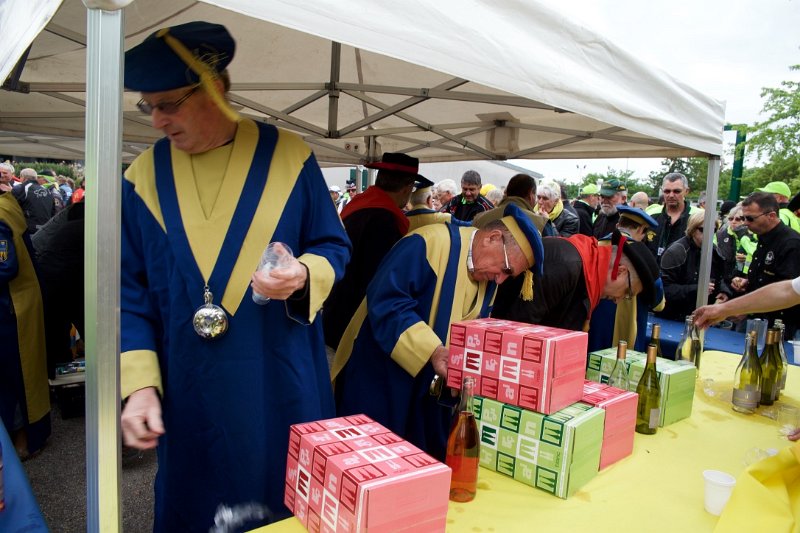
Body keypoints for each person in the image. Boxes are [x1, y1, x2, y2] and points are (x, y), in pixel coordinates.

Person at [118, 21, 351, 532]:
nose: (156, 120)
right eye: (147, 106)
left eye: (169, 103)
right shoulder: (141, 179)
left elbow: (334, 246)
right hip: (188, 387)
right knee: (194, 510)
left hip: (278, 378)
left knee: (284, 507)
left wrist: (303, 273)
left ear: (217, 88)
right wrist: (139, 386)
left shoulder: (290, 159)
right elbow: (128, 292)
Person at [332, 204, 545, 460]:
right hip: (382, 376)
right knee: (371, 458)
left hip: (429, 387)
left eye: (509, 276)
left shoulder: (488, 276)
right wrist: (433, 350)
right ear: (493, 238)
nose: (500, 280)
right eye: (506, 269)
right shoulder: (427, 244)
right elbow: (387, 304)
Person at [323, 152, 421, 351]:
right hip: (354, 321)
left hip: (335, 309)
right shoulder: (384, 220)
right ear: (407, 187)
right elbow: (379, 279)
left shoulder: (358, 206)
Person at [492, 229, 660, 336]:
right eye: (627, 293)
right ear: (621, 271)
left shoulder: (588, 273)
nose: (618, 300)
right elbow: (519, 329)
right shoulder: (567, 266)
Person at [0, 188, 51, 460]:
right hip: (19, 303)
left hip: (12, 309)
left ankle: (24, 437)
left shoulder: (1, 215)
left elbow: (5, 266)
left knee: (16, 378)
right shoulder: (8, 205)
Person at [588, 205, 666, 352]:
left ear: (618, 225)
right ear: (641, 230)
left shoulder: (596, 246)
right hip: (627, 335)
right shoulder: (644, 257)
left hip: (592, 328)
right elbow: (658, 303)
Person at [725, 192, 800, 337]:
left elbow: (788, 291)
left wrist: (747, 309)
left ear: (771, 216)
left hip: (778, 327)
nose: (745, 223)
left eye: (750, 218)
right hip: (756, 318)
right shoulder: (763, 236)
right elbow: (766, 275)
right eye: (743, 218)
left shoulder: (791, 244)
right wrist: (748, 282)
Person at [656, 211, 713, 320]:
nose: (709, 234)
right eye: (703, 230)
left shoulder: (714, 251)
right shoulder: (676, 251)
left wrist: (724, 292)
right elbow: (664, 289)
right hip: (672, 316)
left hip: (700, 316)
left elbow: (721, 278)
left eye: (713, 230)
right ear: (693, 229)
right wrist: (697, 289)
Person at [473, 173, 555, 236]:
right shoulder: (541, 224)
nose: (539, 201)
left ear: (507, 192)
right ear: (531, 195)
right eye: (537, 196)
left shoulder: (479, 219)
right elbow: (552, 251)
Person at [646, 172, 699, 263]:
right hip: (653, 271)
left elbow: (710, 249)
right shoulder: (650, 214)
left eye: (676, 191)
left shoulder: (698, 216)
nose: (671, 195)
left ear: (686, 191)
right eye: (667, 191)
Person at [405, 178, 470, 232]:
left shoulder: (402, 220)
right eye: (433, 198)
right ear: (428, 200)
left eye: (439, 195)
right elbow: (467, 225)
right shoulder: (442, 218)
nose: (438, 199)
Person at [12, 168, 56, 234]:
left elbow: (13, 208)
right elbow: (53, 211)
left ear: (23, 177)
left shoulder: (21, 188)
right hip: (45, 230)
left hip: (28, 229)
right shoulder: (47, 190)